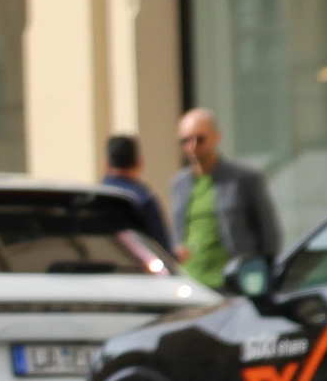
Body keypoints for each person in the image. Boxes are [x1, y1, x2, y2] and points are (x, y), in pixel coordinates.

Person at [169, 108, 281, 292]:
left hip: (232, 283)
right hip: (190, 284)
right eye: (186, 140)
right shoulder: (179, 184)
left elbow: (269, 234)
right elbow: (179, 231)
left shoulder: (242, 179)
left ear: (216, 137)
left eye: (200, 139)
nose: (193, 146)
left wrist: (259, 278)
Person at [100, 133, 171, 251]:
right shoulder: (143, 199)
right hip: (136, 269)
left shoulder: (94, 199)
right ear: (139, 163)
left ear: (106, 165)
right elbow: (162, 249)